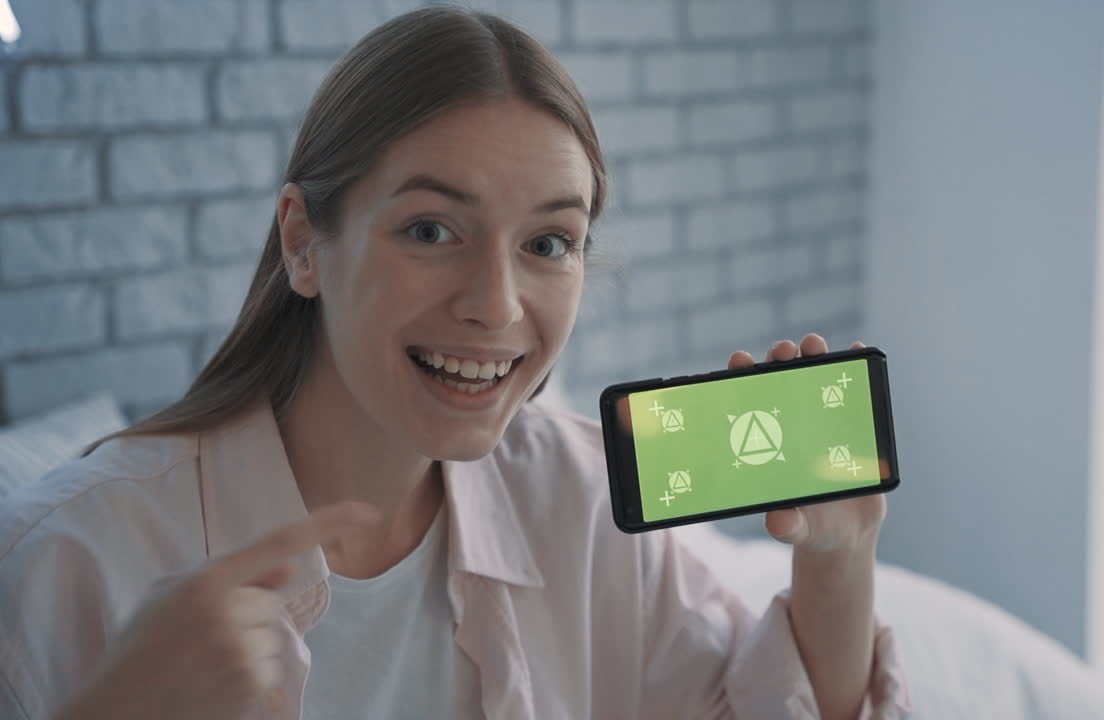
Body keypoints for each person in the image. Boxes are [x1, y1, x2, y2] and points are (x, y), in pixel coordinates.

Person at [0, 8, 909, 720]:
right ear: (304, 244)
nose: (498, 305)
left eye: (550, 243)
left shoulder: (580, 499)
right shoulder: (69, 562)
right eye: (431, 230)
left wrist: (837, 557)